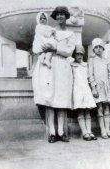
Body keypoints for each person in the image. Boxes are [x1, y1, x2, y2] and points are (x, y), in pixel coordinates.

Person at [32, 6, 76, 143]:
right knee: (49, 98)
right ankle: (52, 132)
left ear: (66, 16)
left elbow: (69, 51)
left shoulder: (70, 33)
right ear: (55, 17)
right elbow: (38, 46)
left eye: (63, 14)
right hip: (50, 66)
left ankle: (61, 132)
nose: (60, 17)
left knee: (62, 98)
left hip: (62, 65)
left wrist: (55, 48)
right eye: (58, 15)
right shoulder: (48, 31)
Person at [88, 38, 110, 139]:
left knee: (107, 108)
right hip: (98, 86)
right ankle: (103, 130)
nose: (99, 49)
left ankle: (108, 130)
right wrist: (93, 88)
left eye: (100, 47)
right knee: (99, 108)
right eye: (96, 47)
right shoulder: (92, 60)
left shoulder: (106, 60)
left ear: (103, 49)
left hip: (106, 86)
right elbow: (90, 75)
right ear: (94, 49)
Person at [71, 45, 97, 141]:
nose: (79, 56)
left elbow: (90, 78)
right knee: (81, 111)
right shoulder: (72, 66)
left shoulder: (85, 65)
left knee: (87, 111)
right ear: (74, 55)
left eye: (81, 54)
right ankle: (84, 132)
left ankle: (89, 131)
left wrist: (93, 88)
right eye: (77, 54)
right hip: (77, 90)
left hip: (86, 89)